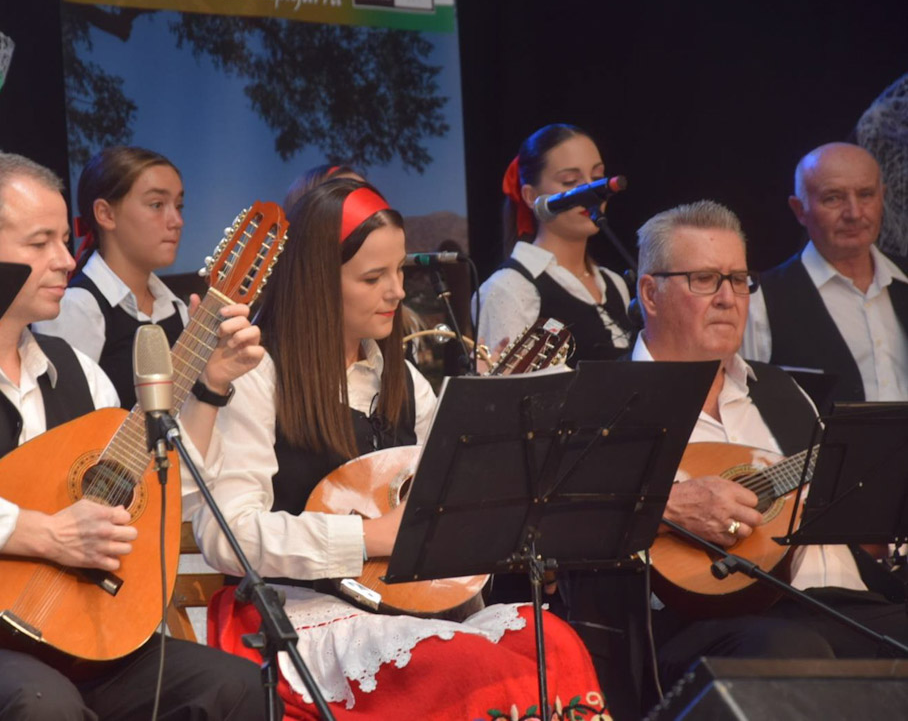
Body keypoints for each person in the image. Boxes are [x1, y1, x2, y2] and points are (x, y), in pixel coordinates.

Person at [0, 151, 267, 720]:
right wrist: (43, 533)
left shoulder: (81, 375)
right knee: (41, 705)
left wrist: (209, 388)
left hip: (79, 642)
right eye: (40, 243)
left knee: (237, 686)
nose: (67, 260)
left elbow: (157, 495)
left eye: (65, 240)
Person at [193, 178, 606, 720]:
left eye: (399, 272)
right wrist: (367, 536)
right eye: (373, 277)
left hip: (405, 611)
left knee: (553, 641)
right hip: (304, 616)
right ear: (318, 283)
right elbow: (228, 536)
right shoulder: (257, 376)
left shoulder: (404, 380)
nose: (396, 291)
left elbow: (450, 491)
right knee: (469, 668)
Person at [566, 200, 908, 717]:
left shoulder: (782, 391)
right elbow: (555, 514)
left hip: (848, 603)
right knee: (791, 654)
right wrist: (666, 504)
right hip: (701, 626)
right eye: (705, 279)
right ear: (650, 293)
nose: (729, 298)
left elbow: (848, 515)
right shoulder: (600, 401)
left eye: (740, 279)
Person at [742, 142, 908, 404]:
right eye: (833, 198)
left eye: (866, 195)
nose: (854, 213)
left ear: (882, 197)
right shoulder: (760, 301)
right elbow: (745, 407)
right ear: (799, 210)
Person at [33, 146, 192, 408]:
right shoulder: (76, 307)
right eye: (156, 205)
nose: (176, 220)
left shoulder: (177, 309)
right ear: (105, 214)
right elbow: (70, 420)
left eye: (179, 206)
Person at [476, 124, 633, 364]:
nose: (590, 192)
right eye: (570, 182)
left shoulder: (615, 283)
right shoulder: (509, 288)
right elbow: (509, 393)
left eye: (597, 178)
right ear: (530, 196)